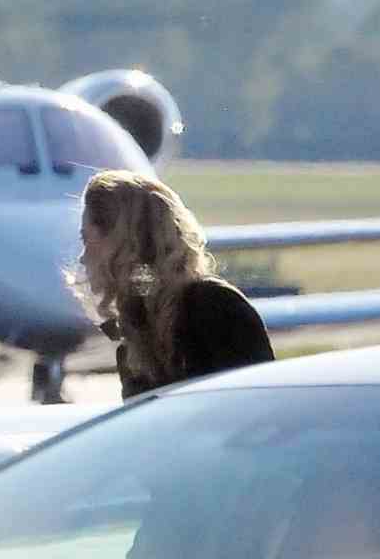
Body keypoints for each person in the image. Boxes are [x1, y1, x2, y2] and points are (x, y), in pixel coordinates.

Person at [78, 170, 274, 398]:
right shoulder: (133, 336)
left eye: (86, 239)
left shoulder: (214, 309)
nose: (83, 257)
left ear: (121, 243)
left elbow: (260, 409)